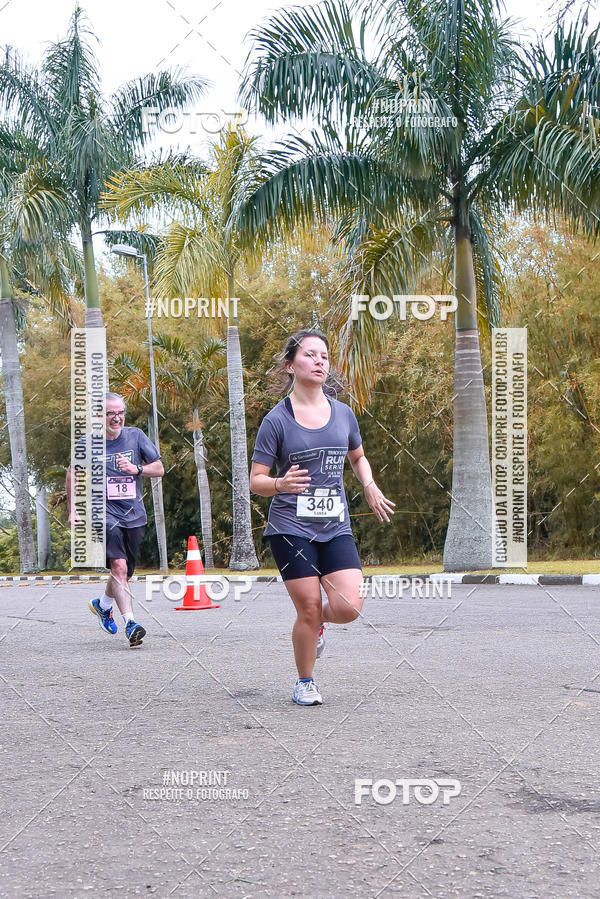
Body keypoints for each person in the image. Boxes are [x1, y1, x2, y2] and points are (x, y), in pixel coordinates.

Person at [250, 330, 395, 705]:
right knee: (310, 607)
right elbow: (256, 481)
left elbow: (358, 456)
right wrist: (281, 483)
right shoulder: (276, 421)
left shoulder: (343, 413)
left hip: (335, 526)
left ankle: (317, 628)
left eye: (324, 357)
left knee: (348, 606)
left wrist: (369, 485)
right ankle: (305, 682)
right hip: (289, 528)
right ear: (290, 365)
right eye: (310, 355)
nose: (319, 361)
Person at [66, 392, 165, 647]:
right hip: (102, 513)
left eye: (120, 412)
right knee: (118, 567)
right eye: (110, 413)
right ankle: (131, 623)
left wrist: (137, 469)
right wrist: (73, 509)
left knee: (124, 573)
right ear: (99, 416)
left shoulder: (136, 436)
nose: (116, 417)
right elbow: (72, 474)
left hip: (134, 514)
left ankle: (103, 603)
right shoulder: (87, 443)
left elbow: (159, 468)